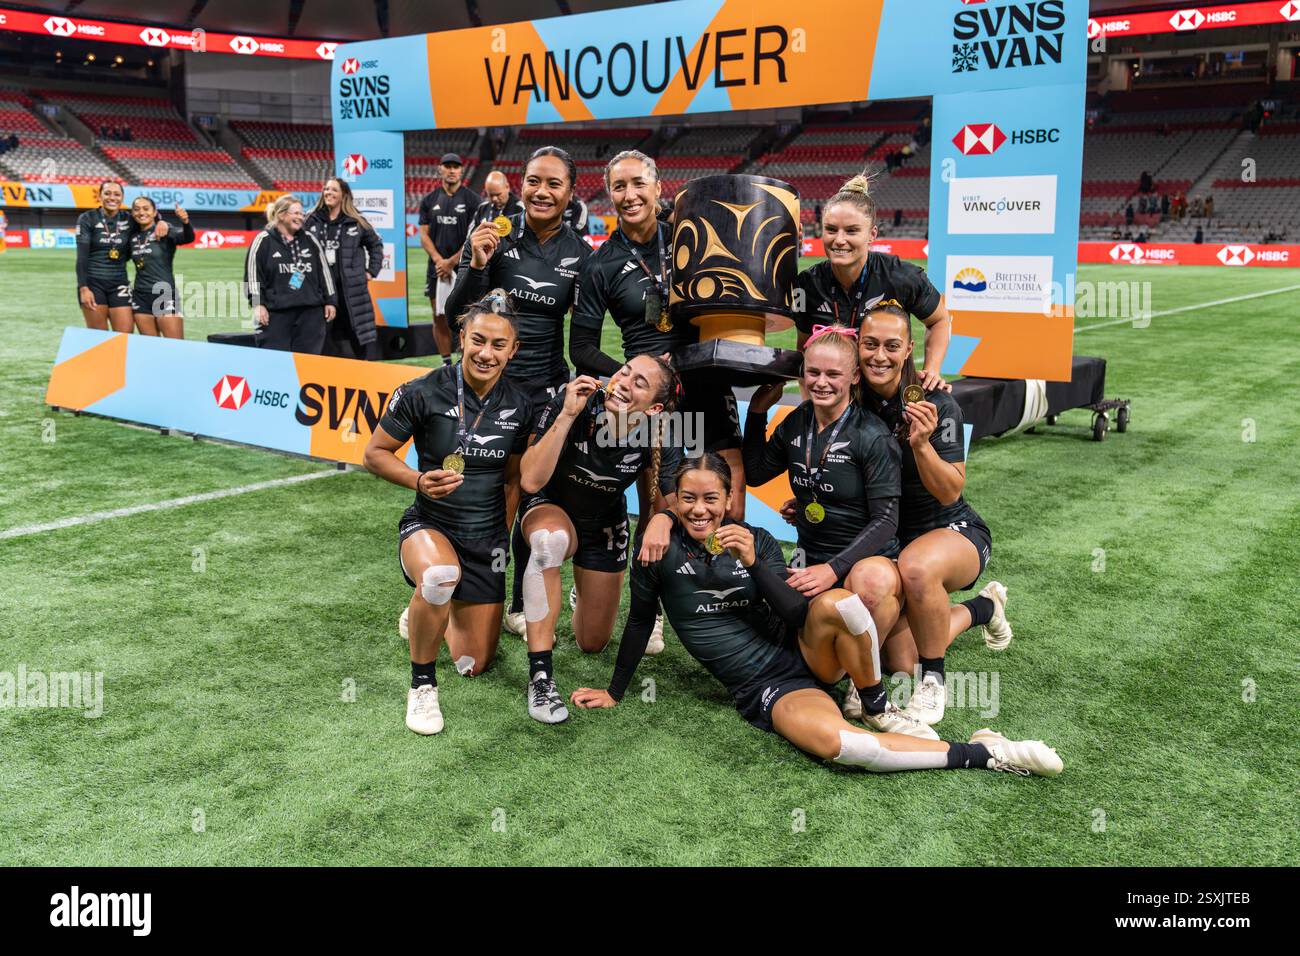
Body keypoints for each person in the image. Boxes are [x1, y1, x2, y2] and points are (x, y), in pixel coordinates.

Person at [571, 454, 1062, 778]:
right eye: (688, 499)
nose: (700, 510)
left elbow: (795, 610)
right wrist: (615, 691)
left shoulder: (754, 539)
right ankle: (989, 752)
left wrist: (753, 563)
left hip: (810, 650)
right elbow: (638, 622)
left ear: (728, 501)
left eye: (711, 499)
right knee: (848, 749)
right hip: (770, 686)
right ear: (673, 501)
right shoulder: (656, 548)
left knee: (837, 604)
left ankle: (875, 704)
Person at [364, 293, 536, 735]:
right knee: (440, 575)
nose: (486, 353)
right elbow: (375, 454)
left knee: (473, 663)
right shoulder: (422, 391)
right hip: (430, 525)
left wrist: (500, 535)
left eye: (499, 345)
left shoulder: (521, 404)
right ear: (461, 337)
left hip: (484, 539)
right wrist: (418, 481)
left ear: (513, 351)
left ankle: (426, 607)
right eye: (478, 340)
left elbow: (513, 480)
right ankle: (422, 685)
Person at [444, 147, 593, 639]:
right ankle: (451, 593)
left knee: (531, 494)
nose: (541, 191)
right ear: (521, 184)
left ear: (570, 193)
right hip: (489, 388)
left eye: (553, 183)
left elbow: (587, 334)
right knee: (479, 497)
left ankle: (514, 602)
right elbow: (456, 317)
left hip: (546, 393)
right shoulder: (492, 235)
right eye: (533, 181)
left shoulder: (581, 255)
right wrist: (478, 264)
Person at [856, 302, 1010, 726]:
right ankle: (984, 608)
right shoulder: (853, 401)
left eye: (891, 346)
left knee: (918, 567)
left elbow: (949, 492)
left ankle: (934, 683)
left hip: (951, 530)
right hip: (894, 538)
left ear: (909, 349)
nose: (879, 356)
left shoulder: (937, 403)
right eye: (870, 345)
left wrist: (921, 444)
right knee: (900, 661)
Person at [572, 149, 745, 520]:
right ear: (610, 194)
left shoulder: (691, 236)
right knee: (661, 508)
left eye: (638, 183)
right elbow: (581, 348)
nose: (630, 194)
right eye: (619, 186)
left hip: (706, 382)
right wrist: (638, 375)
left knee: (730, 507)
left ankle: (723, 579)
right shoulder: (601, 264)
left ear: (657, 187)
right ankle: (654, 577)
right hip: (653, 402)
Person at [513, 355, 682, 723]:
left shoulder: (663, 430)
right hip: (550, 506)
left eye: (639, 382)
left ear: (654, 407)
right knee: (549, 543)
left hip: (603, 522)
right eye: (625, 371)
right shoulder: (574, 400)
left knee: (592, 643)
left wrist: (664, 519)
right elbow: (530, 480)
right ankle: (541, 677)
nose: (623, 382)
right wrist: (567, 415)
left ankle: (578, 592)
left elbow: (675, 501)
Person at [793, 173, 951, 391]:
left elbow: (940, 321)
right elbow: (804, 349)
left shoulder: (902, 277)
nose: (839, 240)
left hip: (889, 396)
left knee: (943, 402)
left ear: (872, 234)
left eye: (851, 231)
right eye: (831, 229)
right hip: (837, 398)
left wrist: (932, 370)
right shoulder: (806, 285)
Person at [305, 177, 385, 360]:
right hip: (322, 291)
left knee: (358, 338)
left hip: (352, 290)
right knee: (323, 338)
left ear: (344, 195)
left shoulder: (356, 220)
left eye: (333, 190)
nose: (328, 193)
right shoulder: (311, 219)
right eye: (326, 189)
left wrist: (371, 271)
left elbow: (376, 246)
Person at [245, 195, 336, 353]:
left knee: (308, 366)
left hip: (310, 314)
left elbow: (325, 273)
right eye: (295, 213)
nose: (300, 217)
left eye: (301, 214)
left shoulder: (310, 240)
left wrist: (331, 301)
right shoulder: (263, 241)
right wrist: (258, 304)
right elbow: (252, 276)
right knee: (275, 364)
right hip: (276, 315)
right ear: (281, 215)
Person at [418, 153, 480, 366]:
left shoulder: (473, 200)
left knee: (468, 317)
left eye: (456, 166)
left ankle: (465, 362)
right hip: (436, 268)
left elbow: (475, 236)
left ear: (462, 170)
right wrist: (439, 260)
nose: (452, 170)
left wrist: (452, 261)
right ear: (440, 169)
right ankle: (446, 363)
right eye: (448, 166)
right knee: (439, 317)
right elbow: (423, 234)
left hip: (464, 267)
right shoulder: (429, 200)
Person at [76, 181, 156, 333]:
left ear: (122, 198)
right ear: (100, 196)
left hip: (119, 282)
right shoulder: (87, 218)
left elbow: (149, 219)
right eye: (107, 193)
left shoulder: (129, 219)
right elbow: (82, 257)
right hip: (93, 284)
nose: (112, 197)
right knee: (98, 338)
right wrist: (83, 288)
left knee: (125, 336)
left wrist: (162, 222)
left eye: (117, 194)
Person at [127, 196, 192, 338]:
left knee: (176, 347)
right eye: (137, 209)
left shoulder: (164, 230)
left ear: (155, 212)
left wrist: (185, 222)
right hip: (140, 296)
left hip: (164, 293)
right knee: (152, 347)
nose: (141, 212)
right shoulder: (132, 237)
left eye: (146, 209)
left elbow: (187, 238)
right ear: (132, 213)